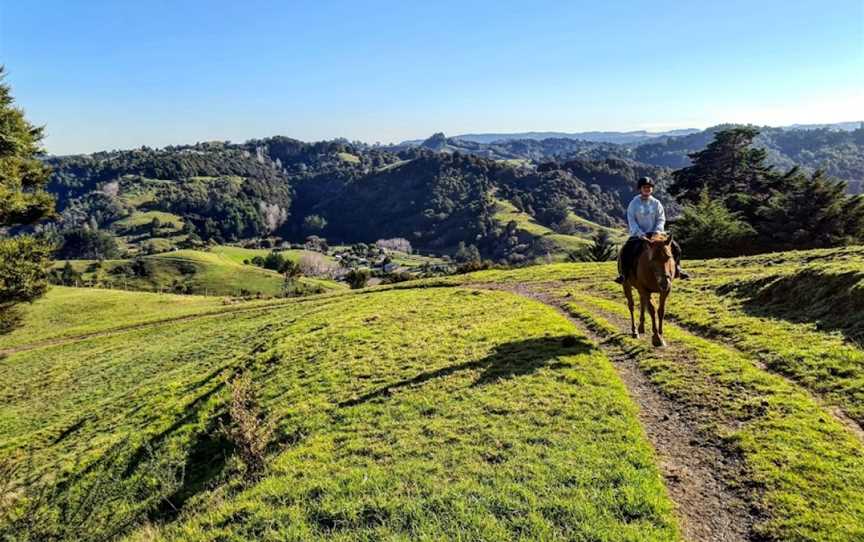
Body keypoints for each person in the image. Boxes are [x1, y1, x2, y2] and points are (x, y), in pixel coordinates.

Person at [615, 176, 688, 284]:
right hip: (639, 235)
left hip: (656, 234)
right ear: (640, 189)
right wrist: (640, 233)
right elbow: (632, 220)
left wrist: (657, 231)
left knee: (676, 248)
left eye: (649, 187)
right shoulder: (634, 203)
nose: (647, 189)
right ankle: (624, 275)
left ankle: (677, 269)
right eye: (645, 187)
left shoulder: (656, 203)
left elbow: (661, 218)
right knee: (626, 250)